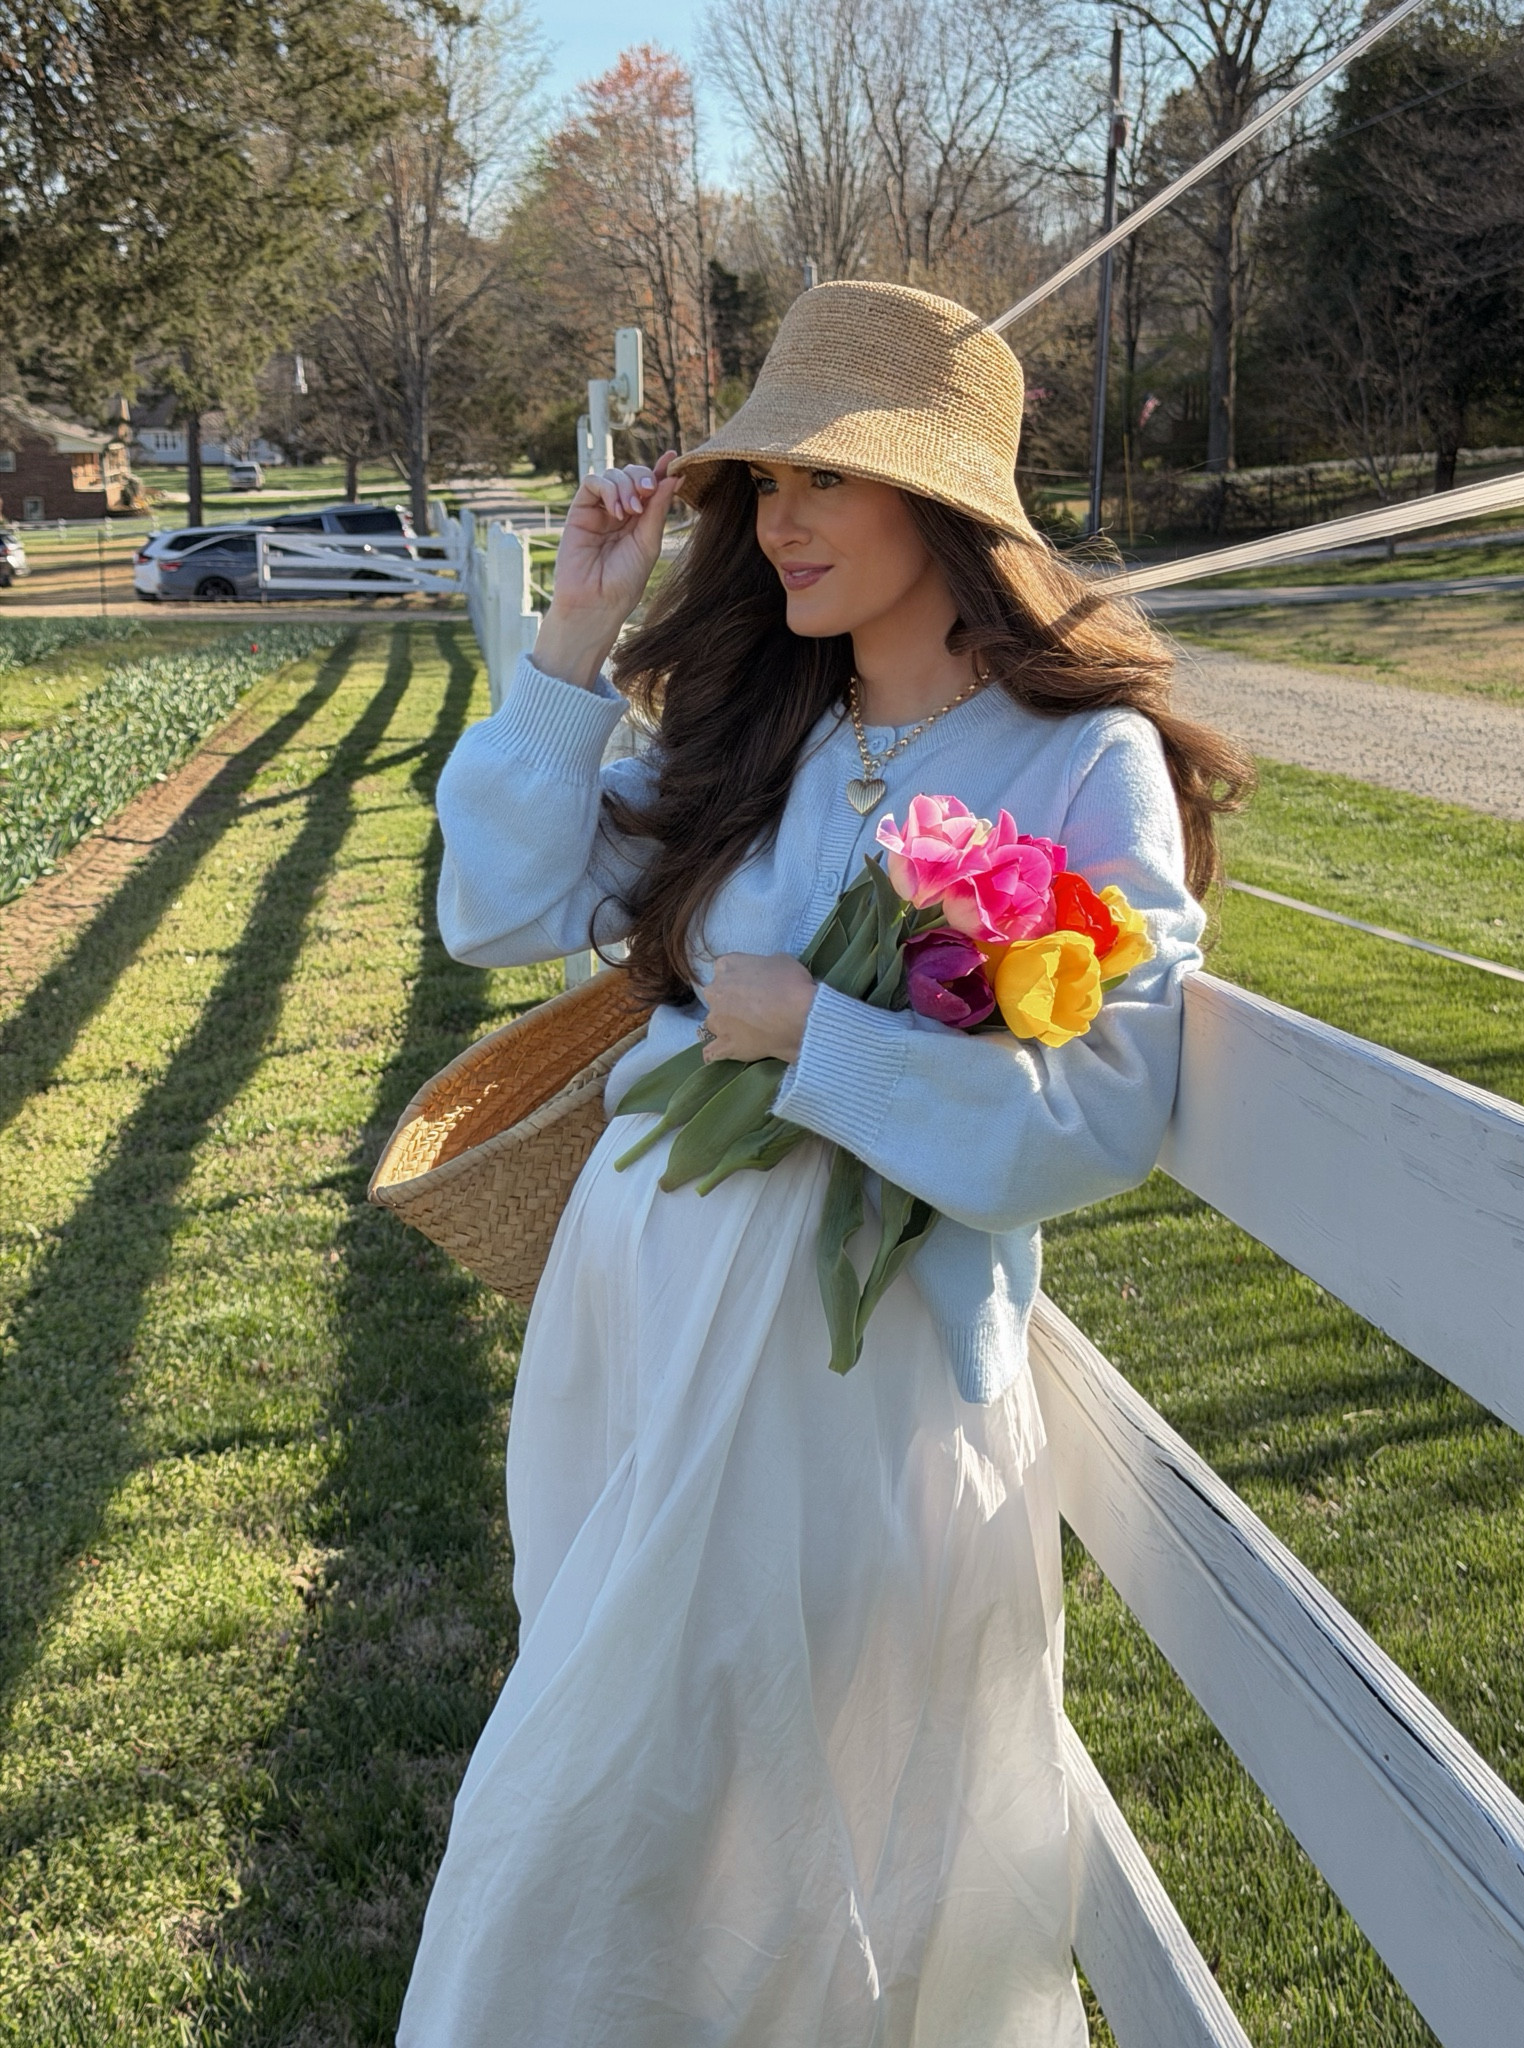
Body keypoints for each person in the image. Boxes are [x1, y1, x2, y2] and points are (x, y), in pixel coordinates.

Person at [399, 280, 1247, 2046]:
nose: (775, 522)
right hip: (633, 1342)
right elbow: (490, 909)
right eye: (759, 484)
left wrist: (814, 1031)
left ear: (939, 506)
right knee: (630, 1790)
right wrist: (574, 633)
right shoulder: (759, 734)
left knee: (726, 1828)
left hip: (843, 1389)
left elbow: (1095, 1115)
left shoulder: (1079, 759)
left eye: (820, 482)